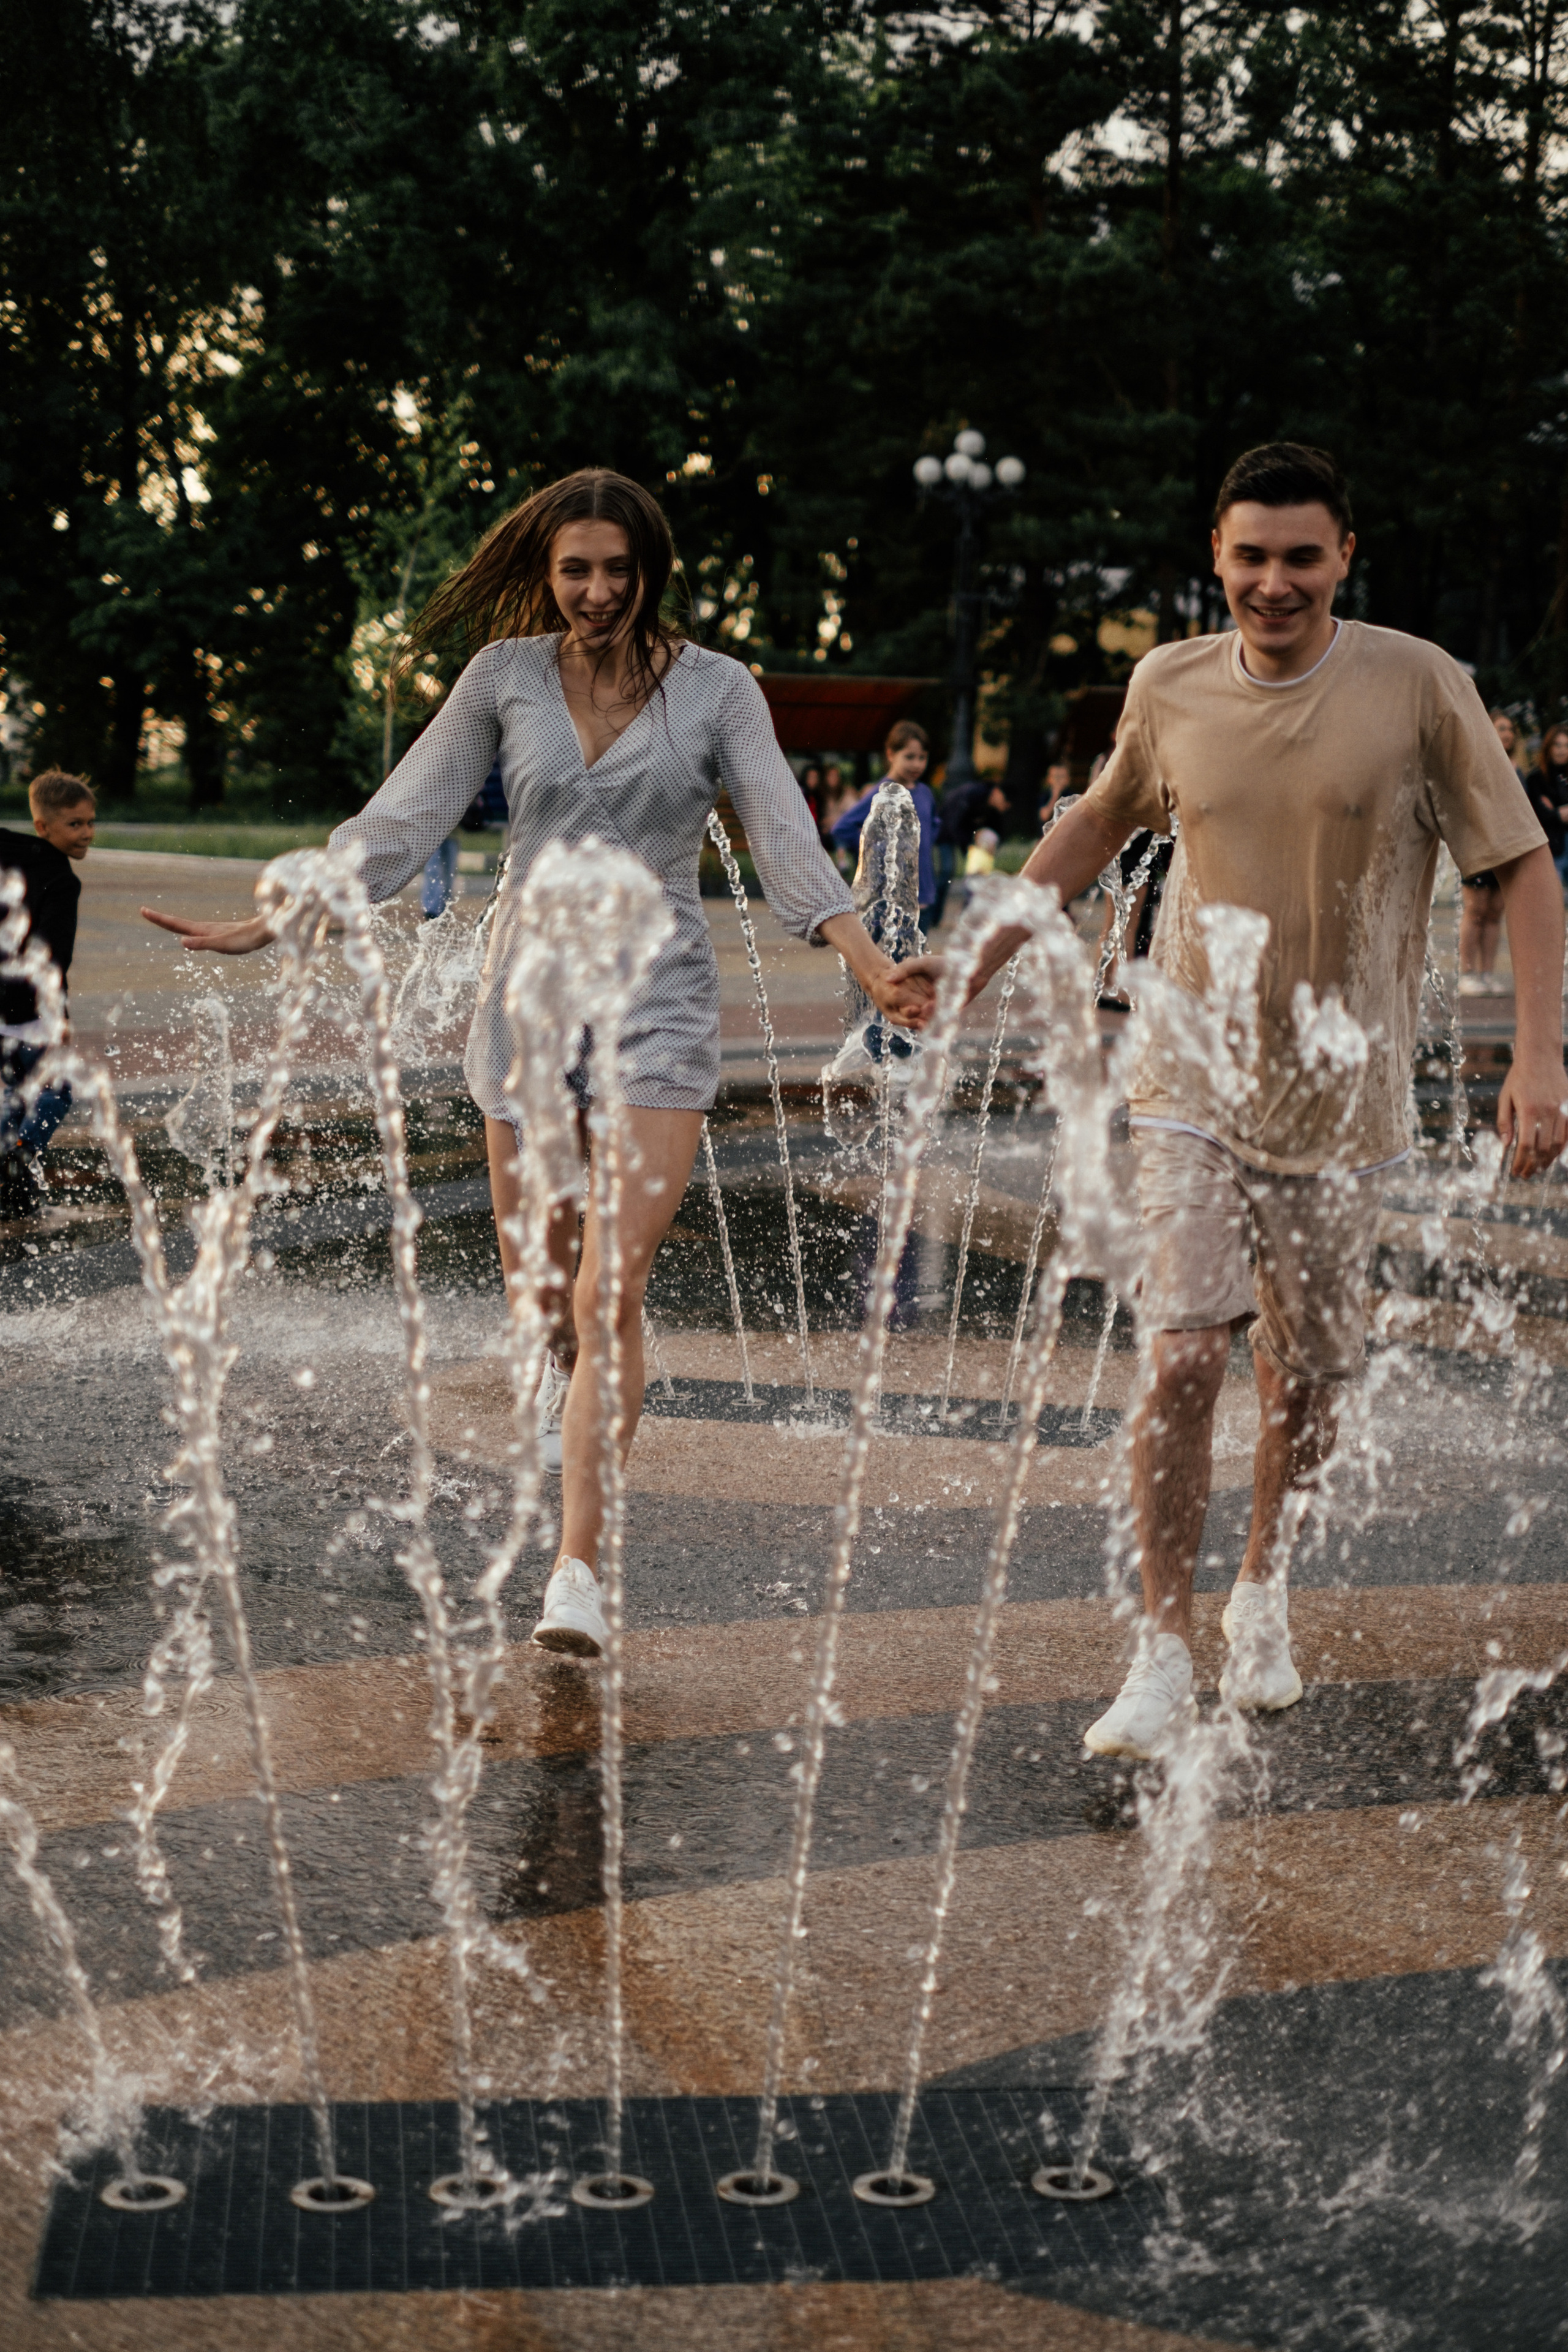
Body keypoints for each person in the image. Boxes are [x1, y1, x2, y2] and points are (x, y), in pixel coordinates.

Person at [140, 467, 931, 1657]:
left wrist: (869, 964)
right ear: (547, 572)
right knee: (547, 1300)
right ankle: (571, 1388)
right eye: (576, 571)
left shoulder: (716, 687)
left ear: (650, 570)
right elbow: (407, 815)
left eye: (618, 571)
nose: (597, 592)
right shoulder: (504, 676)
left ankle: (577, 1570)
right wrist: (280, 916)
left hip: (658, 999)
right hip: (529, 1002)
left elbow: (781, 828)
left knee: (612, 1291)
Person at [904, 440, 1566, 1760]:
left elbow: (1526, 867)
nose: (1274, 583)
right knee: (1186, 1351)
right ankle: (1159, 1649)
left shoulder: (1418, 684)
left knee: (1305, 1375)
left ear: (1343, 557)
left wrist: (1540, 1059)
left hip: (1342, 1093)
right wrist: (975, 956)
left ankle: (1262, 1582)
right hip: (1188, 1072)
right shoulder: (1168, 682)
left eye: (1300, 558)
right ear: (1214, 555)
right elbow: (1098, 822)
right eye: (1250, 557)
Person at [0, 769, 94, 1215]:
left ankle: (13, 1187)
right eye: (75, 824)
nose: (87, 833)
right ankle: (17, 1162)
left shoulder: (11, 852)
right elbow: (55, 958)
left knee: (16, 1094)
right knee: (56, 1092)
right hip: (32, 1011)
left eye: (91, 822)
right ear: (44, 826)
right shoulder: (61, 879)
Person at [831, 722, 938, 927]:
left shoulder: (925, 793)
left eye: (922, 758)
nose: (917, 764)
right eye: (909, 757)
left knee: (918, 947)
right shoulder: (882, 794)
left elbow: (933, 825)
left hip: (923, 896)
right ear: (890, 754)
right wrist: (878, 847)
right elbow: (842, 828)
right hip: (889, 900)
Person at [1458, 711, 1525, 993]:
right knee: (1476, 910)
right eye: (1501, 728)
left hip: (1507, 848)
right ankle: (1467, 973)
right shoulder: (1479, 762)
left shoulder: (1518, 767)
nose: (1506, 734)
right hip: (1480, 844)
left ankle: (1486, 974)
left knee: (1495, 912)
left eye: (1509, 729)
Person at [1528, 722, 1568, 892]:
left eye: (1566, 746)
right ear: (1549, 747)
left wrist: (1554, 810)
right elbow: (1538, 815)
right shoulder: (1536, 779)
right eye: (1557, 745)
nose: (1562, 750)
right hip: (1552, 850)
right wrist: (1559, 813)